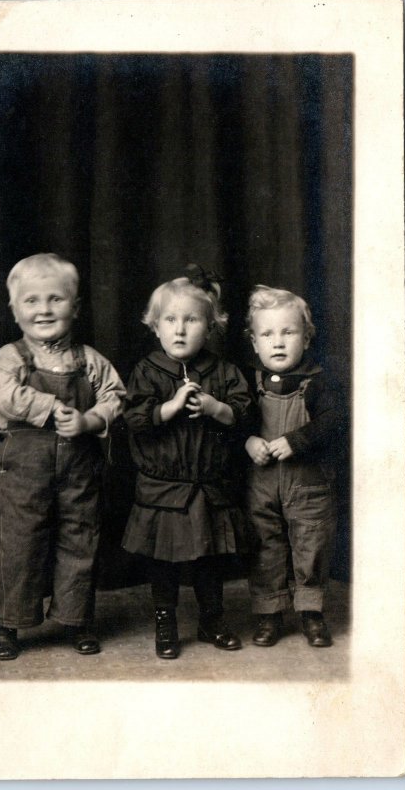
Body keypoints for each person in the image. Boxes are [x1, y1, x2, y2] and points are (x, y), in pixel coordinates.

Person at [0, 253, 125, 660]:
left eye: (55, 299)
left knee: (79, 539)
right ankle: (8, 624)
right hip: (24, 473)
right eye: (31, 301)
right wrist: (47, 408)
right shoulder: (11, 357)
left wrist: (90, 420)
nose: (44, 309)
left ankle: (75, 619)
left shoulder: (89, 360)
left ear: (75, 307)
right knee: (18, 544)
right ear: (15, 311)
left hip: (79, 473)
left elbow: (116, 396)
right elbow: (3, 394)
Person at [122, 265, 256, 659]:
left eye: (192, 320)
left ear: (211, 327)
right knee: (163, 563)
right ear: (155, 326)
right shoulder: (146, 372)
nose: (179, 330)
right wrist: (171, 406)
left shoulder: (225, 372)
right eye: (170, 320)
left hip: (208, 487)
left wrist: (215, 407)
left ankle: (212, 618)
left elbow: (245, 416)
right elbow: (135, 420)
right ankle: (166, 621)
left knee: (207, 561)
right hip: (164, 489)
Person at [244, 284, 343, 648]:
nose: (278, 342)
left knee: (311, 546)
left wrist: (296, 441)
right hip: (263, 485)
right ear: (254, 343)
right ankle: (269, 614)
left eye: (289, 332)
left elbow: (335, 421)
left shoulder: (318, 382)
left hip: (310, 485)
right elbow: (239, 422)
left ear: (306, 337)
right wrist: (249, 440)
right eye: (267, 334)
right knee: (264, 547)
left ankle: (311, 612)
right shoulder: (248, 382)